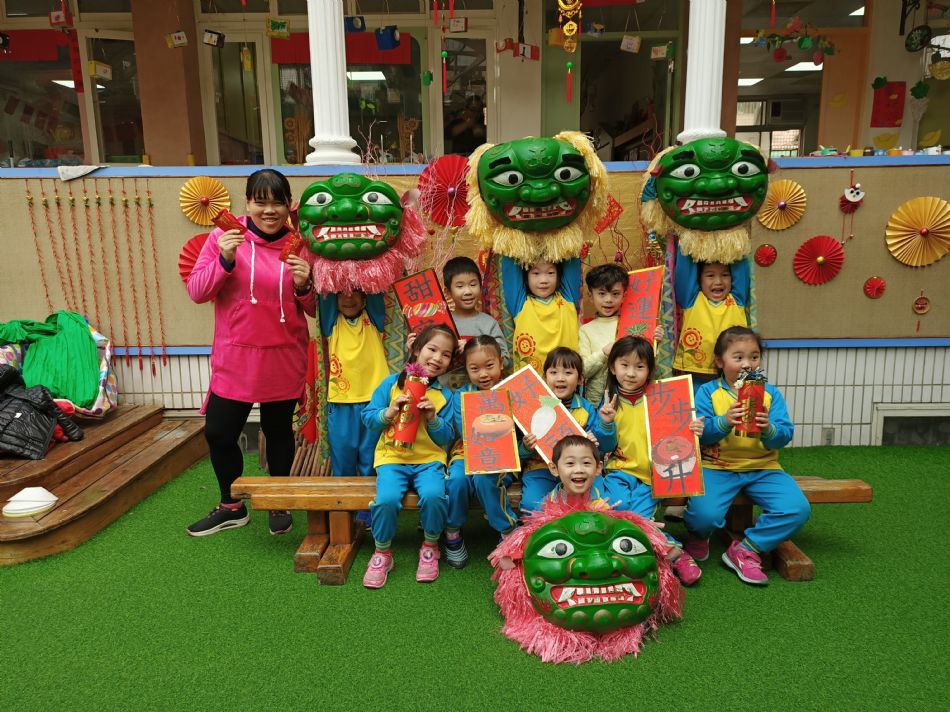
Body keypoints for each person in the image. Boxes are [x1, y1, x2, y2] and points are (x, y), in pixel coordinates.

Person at [185, 169, 315, 537]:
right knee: (219, 432)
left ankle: (279, 501)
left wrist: (304, 286)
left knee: (278, 432)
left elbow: (315, 310)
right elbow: (197, 291)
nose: (269, 210)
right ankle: (231, 506)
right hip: (236, 356)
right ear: (246, 203)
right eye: (261, 201)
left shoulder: (301, 244)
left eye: (278, 202)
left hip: (283, 355)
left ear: (289, 206)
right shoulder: (224, 237)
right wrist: (224, 260)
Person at [683, 326, 810, 586]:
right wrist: (724, 421)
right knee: (703, 516)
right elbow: (700, 435)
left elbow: (784, 435)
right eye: (738, 357)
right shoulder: (707, 392)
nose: (747, 364)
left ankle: (746, 549)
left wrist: (768, 429)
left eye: (754, 357)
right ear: (720, 361)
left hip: (764, 468)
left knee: (797, 509)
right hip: (717, 466)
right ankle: (699, 536)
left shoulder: (770, 394)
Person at [599, 336, 705, 586]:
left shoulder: (663, 399)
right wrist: (606, 423)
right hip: (618, 473)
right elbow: (604, 447)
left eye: (639, 366)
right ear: (612, 367)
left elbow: (679, 436)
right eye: (624, 365)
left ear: (649, 370)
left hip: (652, 478)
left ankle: (675, 554)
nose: (631, 373)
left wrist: (694, 429)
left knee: (639, 519)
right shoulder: (608, 402)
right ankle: (673, 551)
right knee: (619, 514)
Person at [361, 324, 458, 588]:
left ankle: (430, 547)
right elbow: (368, 418)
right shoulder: (391, 384)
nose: (437, 358)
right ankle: (382, 552)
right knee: (387, 499)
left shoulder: (444, 395)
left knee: (434, 495)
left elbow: (447, 437)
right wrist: (389, 412)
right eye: (432, 349)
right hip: (392, 458)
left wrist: (433, 419)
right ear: (416, 349)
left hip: (429, 461)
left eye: (446, 354)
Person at [443, 336, 518, 568]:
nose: (483, 374)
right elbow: (464, 430)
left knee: (485, 478)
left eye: (489, 366)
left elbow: (521, 430)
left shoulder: (512, 391)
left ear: (501, 362)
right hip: (466, 452)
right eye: (475, 369)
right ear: (466, 369)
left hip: (503, 455)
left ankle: (507, 532)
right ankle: (452, 534)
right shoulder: (461, 395)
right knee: (456, 480)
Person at [519, 347, 617, 513]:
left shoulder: (585, 409)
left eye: (568, 373)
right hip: (541, 468)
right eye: (554, 372)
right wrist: (526, 447)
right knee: (531, 506)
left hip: (579, 470)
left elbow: (605, 447)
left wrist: (599, 434)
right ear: (544, 377)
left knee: (600, 504)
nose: (560, 378)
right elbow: (517, 453)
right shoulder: (532, 407)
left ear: (580, 379)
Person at [319, 290, 388, 479]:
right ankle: (343, 499)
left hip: (375, 403)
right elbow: (325, 291)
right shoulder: (332, 323)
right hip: (341, 403)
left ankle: (370, 500)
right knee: (343, 460)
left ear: (364, 297)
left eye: (355, 292)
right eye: (342, 293)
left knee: (372, 460)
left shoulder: (373, 320)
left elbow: (374, 286)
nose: (349, 298)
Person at [673, 255, 750, 393]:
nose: (718, 281)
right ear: (699, 280)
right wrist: (687, 244)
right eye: (710, 275)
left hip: (731, 379)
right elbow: (685, 270)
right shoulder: (691, 299)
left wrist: (735, 245)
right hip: (696, 377)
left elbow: (740, 262)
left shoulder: (737, 300)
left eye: (725, 275)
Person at [502, 256, 582, 373]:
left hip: (565, 377)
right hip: (531, 381)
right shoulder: (520, 303)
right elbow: (510, 265)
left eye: (550, 273)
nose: (544, 280)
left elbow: (571, 256)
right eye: (536, 273)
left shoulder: (567, 298)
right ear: (526, 277)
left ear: (559, 275)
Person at [440, 256, 509, 389]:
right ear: (448, 292)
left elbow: (505, 360)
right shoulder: (442, 325)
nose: (468, 291)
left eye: (473, 284)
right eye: (460, 286)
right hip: (446, 392)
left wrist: (472, 348)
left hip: (482, 393)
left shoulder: (488, 324)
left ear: (480, 286)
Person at [579, 262, 628, 401]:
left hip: (628, 397)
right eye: (601, 294)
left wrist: (656, 340)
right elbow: (583, 371)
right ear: (590, 296)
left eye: (615, 294)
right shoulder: (585, 330)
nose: (608, 300)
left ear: (624, 296)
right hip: (596, 400)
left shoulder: (633, 324)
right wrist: (603, 353)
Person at [544, 434, 609, 507]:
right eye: (570, 463)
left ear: (598, 468)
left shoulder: (601, 507)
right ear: (554, 468)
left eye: (586, 463)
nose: (579, 470)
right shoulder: (545, 506)